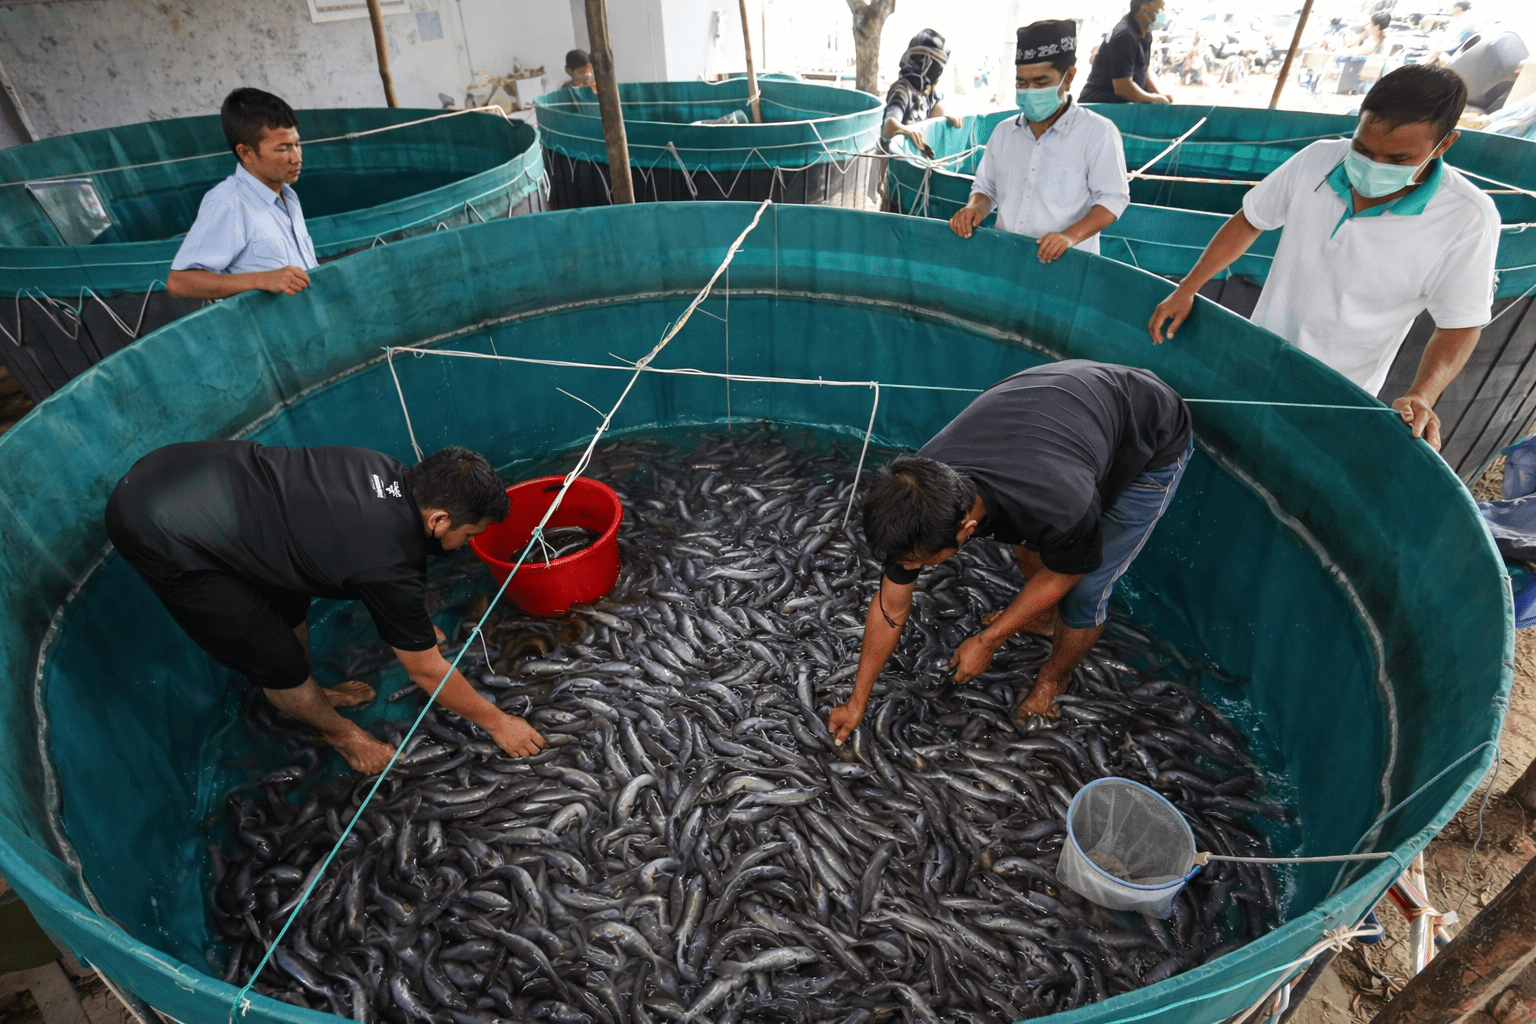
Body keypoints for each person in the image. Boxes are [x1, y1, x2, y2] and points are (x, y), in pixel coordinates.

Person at [105, 442, 547, 773]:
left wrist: (408, 622)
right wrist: (498, 723)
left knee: (290, 589)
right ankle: (340, 733)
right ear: (438, 520)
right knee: (274, 659)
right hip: (159, 525)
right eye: (470, 534)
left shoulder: (383, 470)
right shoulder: (386, 558)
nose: (469, 545)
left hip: (181, 469)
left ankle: (313, 693)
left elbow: (352, 559)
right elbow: (427, 671)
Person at [827, 361, 1192, 740]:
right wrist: (858, 700)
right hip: (1057, 415)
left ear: (967, 528)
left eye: (925, 562)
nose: (917, 568)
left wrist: (990, 640)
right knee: (1031, 537)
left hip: (1149, 432)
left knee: (1085, 591)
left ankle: (1055, 677)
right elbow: (891, 608)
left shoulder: (1059, 504)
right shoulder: (917, 497)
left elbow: (1066, 571)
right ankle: (1044, 615)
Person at [1147, 65, 1498, 452]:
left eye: (1397, 159)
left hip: (1334, 394)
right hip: (1256, 357)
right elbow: (1250, 219)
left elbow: (1460, 325)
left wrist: (1423, 394)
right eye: (1363, 149)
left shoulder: (1468, 219)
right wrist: (1188, 287)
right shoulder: (1317, 160)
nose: (1373, 165)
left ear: (1444, 144)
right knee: (1217, 449)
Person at [949, 20, 1131, 265]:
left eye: (1041, 83)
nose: (1030, 90)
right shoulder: (1004, 133)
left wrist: (1068, 237)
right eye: (1022, 83)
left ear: (1069, 77)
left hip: (1066, 265)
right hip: (1007, 259)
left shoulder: (1097, 132)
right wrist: (973, 209)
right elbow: (987, 189)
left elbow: (1112, 198)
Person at [166, 89, 318, 301]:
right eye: (283, 149)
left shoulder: (287, 196)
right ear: (246, 153)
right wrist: (262, 280)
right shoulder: (228, 202)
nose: (296, 158)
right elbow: (180, 282)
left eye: (297, 144)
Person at [882, 29, 964, 158]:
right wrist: (905, 130)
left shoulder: (926, 93)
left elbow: (937, 106)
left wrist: (948, 114)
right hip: (896, 164)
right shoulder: (902, 90)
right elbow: (888, 125)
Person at [1080, 0, 1171, 104]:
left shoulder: (1145, 33)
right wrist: (1154, 98)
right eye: (1160, 9)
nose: (1163, 13)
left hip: (1122, 106)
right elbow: (1123, 88)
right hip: (1102, 106)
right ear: (1144, 9)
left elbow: (1145, 70)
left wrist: (1159, 94)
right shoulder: (1124, 36)